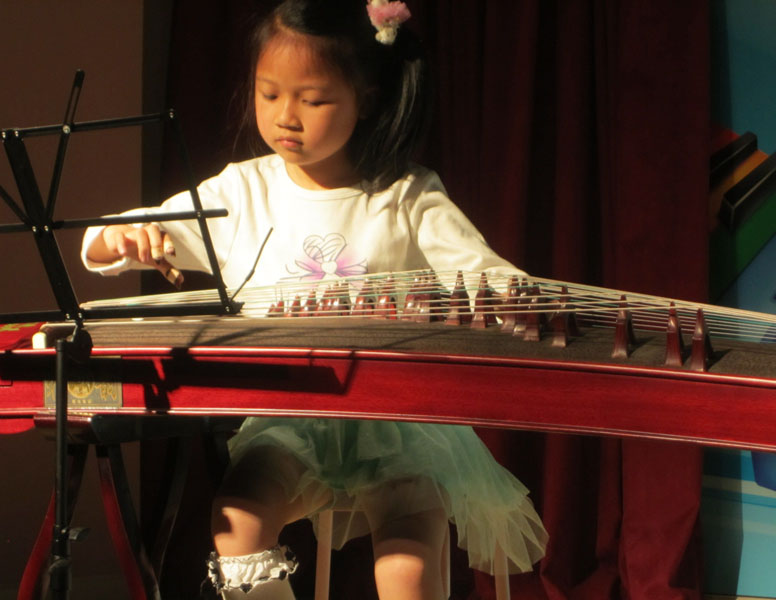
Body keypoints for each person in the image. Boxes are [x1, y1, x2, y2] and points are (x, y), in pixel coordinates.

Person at [82, 1, 548, 598]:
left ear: (366, 98)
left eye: (313, 99)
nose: (286, 117)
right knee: (237, 519)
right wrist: (124, 239)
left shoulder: (404, 195)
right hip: (289, 416)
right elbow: (114, 236)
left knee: (406, 561)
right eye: (269, 93)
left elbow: (487, 273)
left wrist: (513, 299)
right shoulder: (244, 192)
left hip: (397, 419)